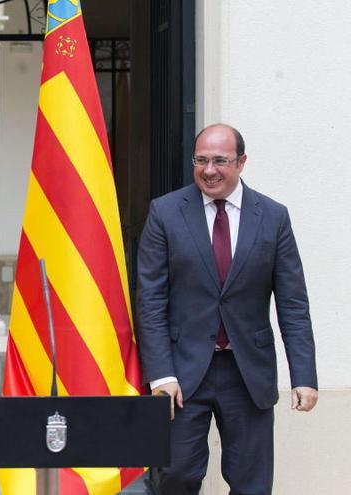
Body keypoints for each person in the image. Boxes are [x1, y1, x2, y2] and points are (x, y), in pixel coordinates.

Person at [136, 124, 318, 494]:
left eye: (220, 160)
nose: (209, 170)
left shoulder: (273, 217)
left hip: (247, 371)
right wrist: (161, 374)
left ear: (241, 162)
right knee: (177, 475)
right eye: (201, 160)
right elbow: (150, 299)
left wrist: (304, 375)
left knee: (252, 482)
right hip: (182, 375)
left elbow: (292, 303)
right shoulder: (166, 213)